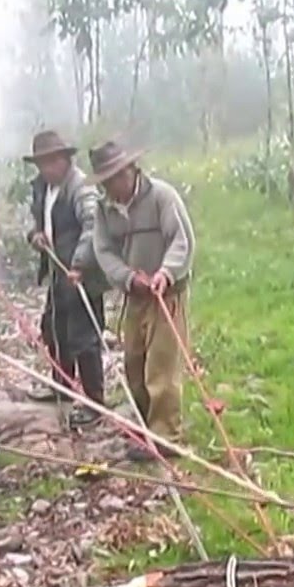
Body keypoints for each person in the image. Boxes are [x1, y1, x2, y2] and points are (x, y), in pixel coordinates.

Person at [91, 140, 193, 444]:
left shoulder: (162, 196)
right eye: (106, 181)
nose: (113, 186)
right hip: (135, 295)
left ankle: (165, 435)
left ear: (132, 170)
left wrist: (166, 273)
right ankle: (145, 424)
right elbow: (104, 251)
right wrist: (127, 278)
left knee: (162, 366)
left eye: (117, 176)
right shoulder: (103, 208)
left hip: (167, 295)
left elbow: (181, 240)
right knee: (134, 363)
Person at [23, 131, 108, 427]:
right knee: (53, 329)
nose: (47, 169)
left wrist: (80, 263)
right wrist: (35, 236)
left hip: (81, 274)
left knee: (83, 338)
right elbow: (35, 223)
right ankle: (63, 387)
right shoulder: (42, 188)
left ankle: (95, 404)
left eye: (52, 161)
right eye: (42, 163)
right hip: (58, 273)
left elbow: (93, 225)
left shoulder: (81, 188)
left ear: (66, 159)